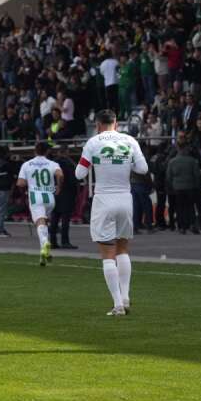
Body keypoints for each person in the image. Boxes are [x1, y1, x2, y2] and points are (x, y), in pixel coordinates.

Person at [74, 109, 149, 316]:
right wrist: (126, 162)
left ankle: (117, 305)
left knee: (108, 253)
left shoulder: (93, 142)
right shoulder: (130, 140)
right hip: (125, 199)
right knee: (123, 248)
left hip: (104, 199)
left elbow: (79, 173)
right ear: (116, 124)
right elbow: (143, 169)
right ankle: (125, 296)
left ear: (98, 125)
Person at [16, 142, 63, 266]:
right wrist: (58, 187)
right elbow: (60, 175)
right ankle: (44, 254)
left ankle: (45, 242)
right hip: (50, 197)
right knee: (44, 222)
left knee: (39, 222)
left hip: (36, 197)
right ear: (47, 152)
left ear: (34, 150)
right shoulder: (53, 164)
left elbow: (20, 183)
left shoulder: (26, 164)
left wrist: (29, 183)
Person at [166, 139, 201, 234]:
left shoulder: (172, 162)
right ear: (186, 149)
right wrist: (196, 186)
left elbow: (169, 177)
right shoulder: (192, 161)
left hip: (177, 188)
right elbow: (197, 176)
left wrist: (173, 186)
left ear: (178, 149)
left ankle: (182, 227)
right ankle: (193, 224)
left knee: (180, 208)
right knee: (190, 207)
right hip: (190, 187)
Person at [49, 148, 79, 250]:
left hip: (54, 192)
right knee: (65, 218)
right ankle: (65, 241)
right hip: (66, 193)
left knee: (55, 217)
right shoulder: (69, 164)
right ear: (67, 152)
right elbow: (73, 179)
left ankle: (52, 241)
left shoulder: (52, 164)